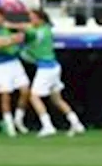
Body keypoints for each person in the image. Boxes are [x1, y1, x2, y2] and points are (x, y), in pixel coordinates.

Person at [12, 9, 86, 137]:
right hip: (54, 67)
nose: (31, 21)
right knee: (56, 99)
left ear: (40, 19)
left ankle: (47, 126)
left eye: (33, 18)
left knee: (34, 96)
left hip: (46, 68)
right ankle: (76, 123)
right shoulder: (46, 28)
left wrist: (8, 25)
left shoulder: (39, 32)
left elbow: (26, 30)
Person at [0, 8, 31, 137]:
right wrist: (14, 39)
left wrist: (13, 27)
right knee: (5, 96)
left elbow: (27, 28)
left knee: (25, 91)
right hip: (1, 65)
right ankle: (9, 124)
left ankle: (18, 120)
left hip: (15, 62)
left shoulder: (8, 27)